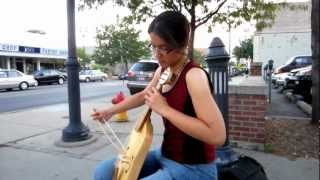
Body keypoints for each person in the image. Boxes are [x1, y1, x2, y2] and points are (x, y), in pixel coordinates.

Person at [91, 10, 226, 180]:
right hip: (165, 155)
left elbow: (218, 136)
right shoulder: (162, 70)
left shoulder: (194, 76)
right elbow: (143, 96)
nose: (156, 54)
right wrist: (110, 111)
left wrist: (164, 109)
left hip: (194, 167)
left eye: (164, 48)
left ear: (182, 44)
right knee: (103, 172)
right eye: (153, 46)